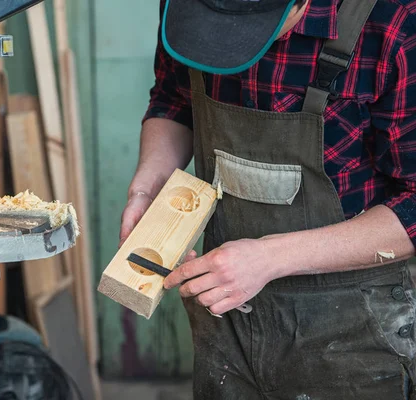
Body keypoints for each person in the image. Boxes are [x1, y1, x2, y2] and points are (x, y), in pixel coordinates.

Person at [118, 0, 416, 398]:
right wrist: (146, 187)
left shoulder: (395, 23)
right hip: (225, 313)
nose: (221, 42)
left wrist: (268, 259)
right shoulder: (186, 8)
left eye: (241, 31)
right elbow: (174, 99)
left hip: (351, 326)